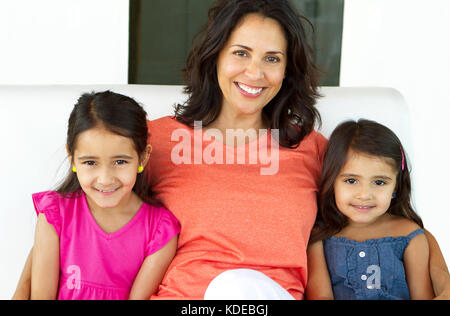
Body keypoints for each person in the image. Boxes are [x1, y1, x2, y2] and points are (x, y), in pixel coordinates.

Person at [13, 0, 450, 300]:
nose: (254, 72)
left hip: (266, 298)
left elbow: (389, 219)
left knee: (239, 289)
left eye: (272, 58)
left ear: (287, 70)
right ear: (216, 56)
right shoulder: (158, 140)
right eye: (241, 52)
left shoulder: (314, 151)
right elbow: (72, 214)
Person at [28, 91, 180, 299]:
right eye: (90, 163)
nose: (105, 179)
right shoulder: (55, 214)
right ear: (72, 159)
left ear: (142, 158)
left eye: (120, 162)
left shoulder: (159, 230)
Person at [306, 119, 435, 300]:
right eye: (351, 181)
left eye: (379, 182)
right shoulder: (320, 236)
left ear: (396, 186)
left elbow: (423, 296)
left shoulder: (410, 236)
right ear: (332, 181)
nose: (365, 194)